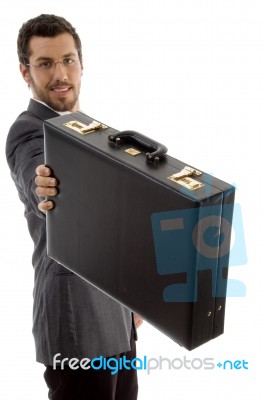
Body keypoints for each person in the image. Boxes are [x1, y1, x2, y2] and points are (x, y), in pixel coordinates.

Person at [6, 14, 142, 400]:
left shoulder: (93, 130)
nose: (60, 73)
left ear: (81, 64)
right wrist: (44, 185)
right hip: (75, 318)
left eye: (67, 60)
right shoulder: (29, 129)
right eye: (45, 63)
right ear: (25, 72)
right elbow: (38, 177)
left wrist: (132, 294)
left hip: (117, 315)